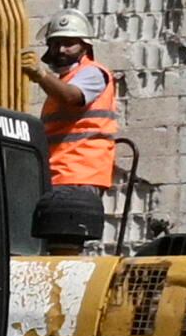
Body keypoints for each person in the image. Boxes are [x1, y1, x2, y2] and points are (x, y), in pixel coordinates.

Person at [31, 20, 123, 250]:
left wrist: (40, 74)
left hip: (78, 175)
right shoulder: (63, 81)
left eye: (68, 44)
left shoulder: (92, 73)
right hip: (60, 174)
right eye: (55, 44)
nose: (60, 50)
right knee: (50, 244)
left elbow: (72, 97)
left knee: (63, 243)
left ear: (85, 46)